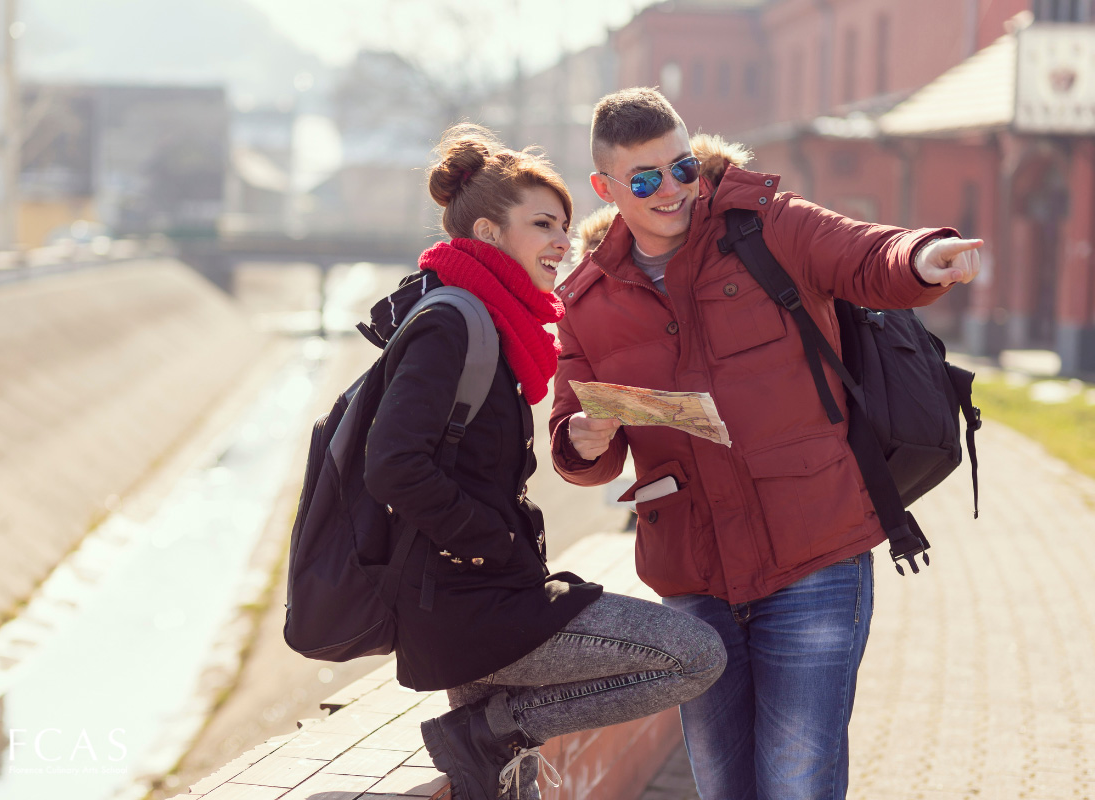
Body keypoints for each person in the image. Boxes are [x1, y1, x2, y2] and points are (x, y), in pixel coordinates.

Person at [548, 88, 982, 800]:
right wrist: (584, 437)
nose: (672, 191)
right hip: (693, 579)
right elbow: (573, 436)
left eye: (681, 168)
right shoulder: (587, 300)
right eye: (645, 180)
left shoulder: (766, 225)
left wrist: (923, 256)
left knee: (796, 781)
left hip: (814, 557)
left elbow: (866, 252)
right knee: (722, 785)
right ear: (604, 188)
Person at [359, 123, 726, 800]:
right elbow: (392, 463)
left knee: (505, 787)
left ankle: (494, 730)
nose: (564, 241)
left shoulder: (488, 323)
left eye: (564, 224)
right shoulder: (451, 322)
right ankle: (498, 726)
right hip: (470, 599)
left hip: (480, 593)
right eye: (544, 225)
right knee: (696, 654)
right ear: (492, 234)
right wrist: (492, 543)